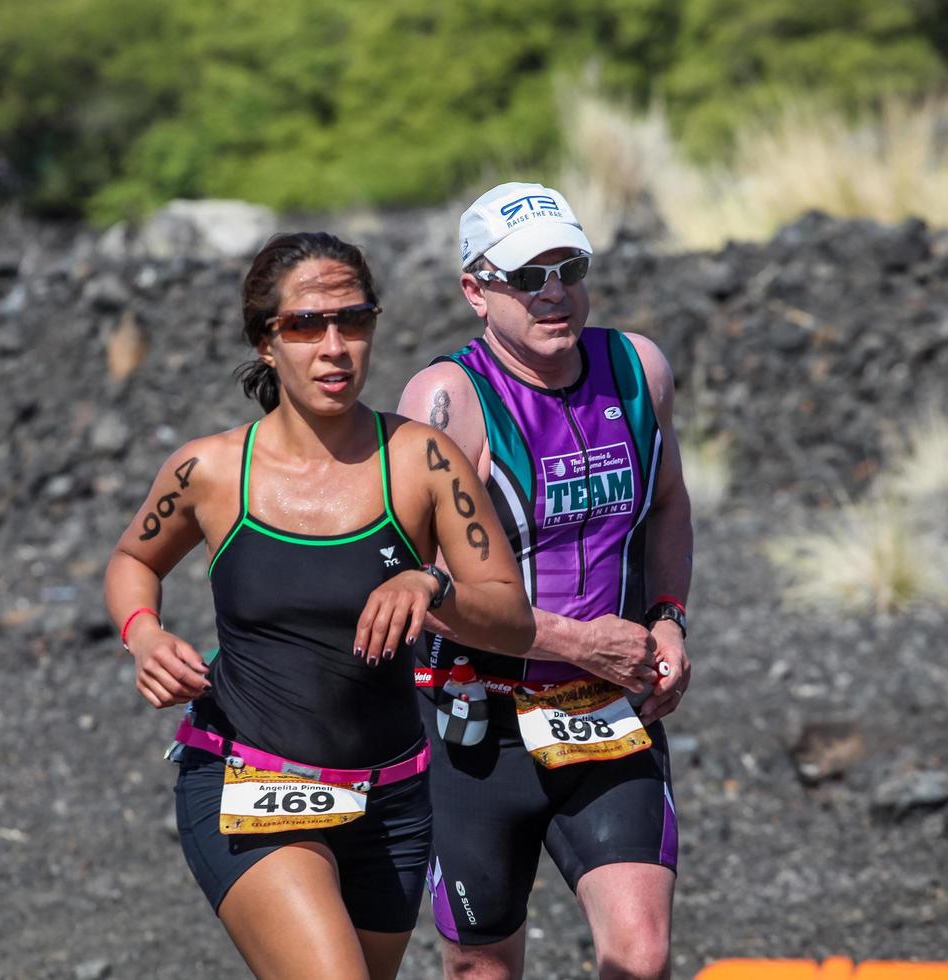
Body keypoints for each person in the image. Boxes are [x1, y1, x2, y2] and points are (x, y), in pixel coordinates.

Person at [105, 231, 535, 980]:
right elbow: (133, 559)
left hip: (394, 799)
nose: (334, 346)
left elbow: (511, 615)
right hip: (249, 781)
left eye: (354, 320)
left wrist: (431, 585)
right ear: (266, 342)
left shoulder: (425, 459)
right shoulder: (210, 470)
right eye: (306, 325)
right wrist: (143, 633)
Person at [397, 183, 694, 979]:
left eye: (569, 265)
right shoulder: (445, 402)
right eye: (527, 277)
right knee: (482, 968)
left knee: (641, 955)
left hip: (604, 708)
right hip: (479, 724)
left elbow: (667, 505)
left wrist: (667, 619)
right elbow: (413, 592)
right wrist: (577, 641)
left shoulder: (638, 369)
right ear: (475, 291)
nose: (554, 290)